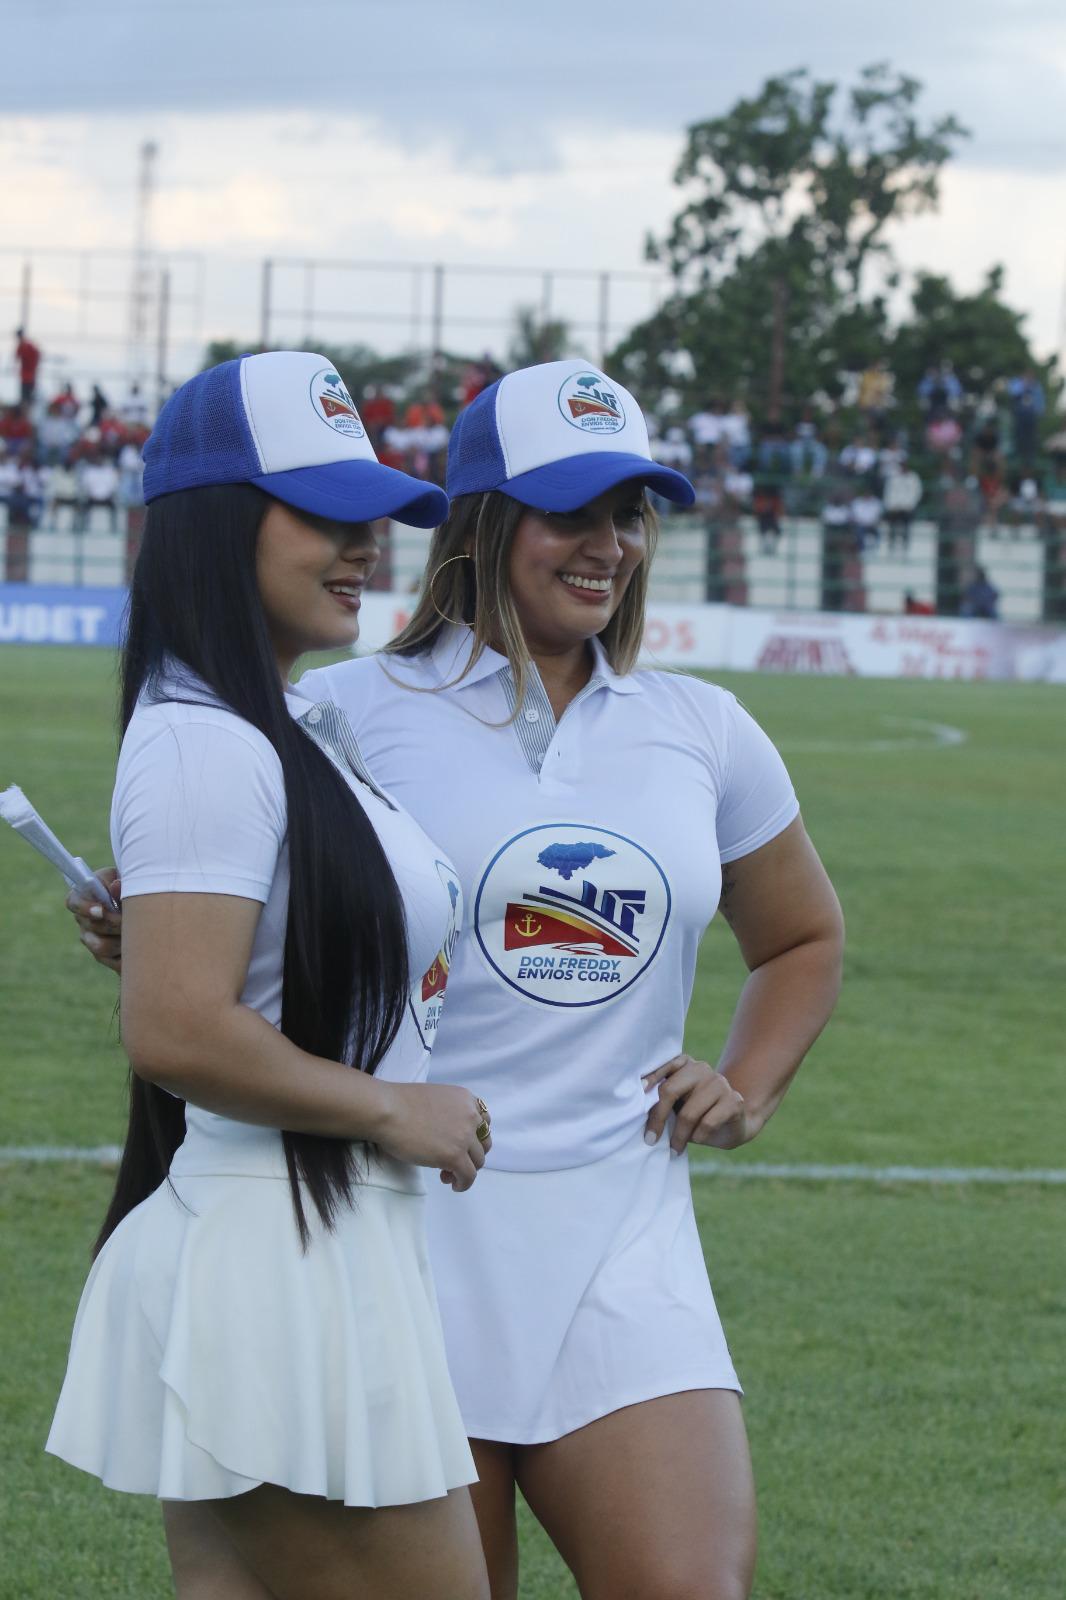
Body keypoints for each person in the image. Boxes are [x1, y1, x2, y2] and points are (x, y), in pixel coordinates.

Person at [73, 358, 844, 1600]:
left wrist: (746, 1084)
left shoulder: (702, 728)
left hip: (620, 1232)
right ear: (482, 521)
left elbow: (803, 937)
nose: (609, 545)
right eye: (573, 510)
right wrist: (148, 923)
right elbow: (240, 922)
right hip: (405, 1228)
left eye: (632, 512)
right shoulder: (342, 709)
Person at [51, 350, 491, 1600]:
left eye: (372, 519)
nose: (365, 547)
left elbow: (220, 988)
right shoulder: (204, 740)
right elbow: (178, 1032)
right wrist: (397, 1107)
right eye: (324, 516)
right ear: (217, 523)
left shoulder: (261, 726)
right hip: (280, 1249)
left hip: (309, 1241)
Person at [14, 327, 41, 405]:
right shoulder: (27, 346)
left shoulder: (26, 346)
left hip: (28, 377)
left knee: (26, 399)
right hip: (27, 377)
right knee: (26, 398)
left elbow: (17, 357)